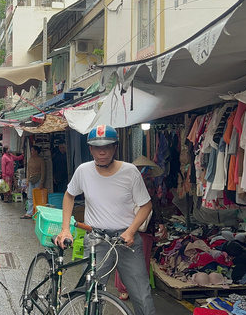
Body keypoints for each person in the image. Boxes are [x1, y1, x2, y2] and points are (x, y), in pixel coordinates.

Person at [55, 124, 156, 315]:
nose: (102, 152)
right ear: (91, 149)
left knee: (142, 295)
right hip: (97, 240)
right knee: (91, 293)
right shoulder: (83, 171)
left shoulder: (130, 172)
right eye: (97, 147)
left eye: (107, 146)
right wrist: (65, 228)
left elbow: (146, 205)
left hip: (126, 241)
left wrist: (132, 230)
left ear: (115, 147)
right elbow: (69, 195)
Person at [114, 155, 168, 301]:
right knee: (138, 259)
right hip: (140, 227)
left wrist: (160, 222)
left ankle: (125, 289)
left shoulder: (132, 182)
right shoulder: (145, 184)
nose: (146, 172)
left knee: (125, 258)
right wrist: (160, 222)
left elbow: (153, 204)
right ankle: (134, 288)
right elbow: (153, 204)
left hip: (128, 225)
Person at [21, 145, 45, 219]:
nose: (31, 152)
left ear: (36, 151)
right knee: (30, 196)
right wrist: (27, 180)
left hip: (38, 179)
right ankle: (30, 213)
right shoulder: (30, 159)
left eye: (32, 150)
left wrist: (41, 182)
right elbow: (28, 171)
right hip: (31, 180)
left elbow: (43, 172)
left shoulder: (41, 160)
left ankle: (38, 213)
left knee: (37, 197)